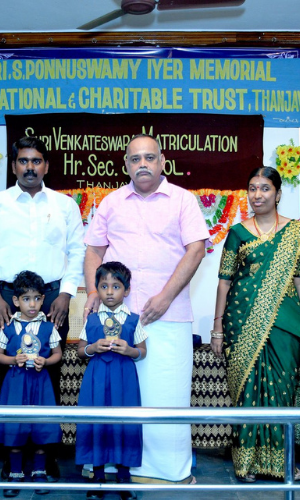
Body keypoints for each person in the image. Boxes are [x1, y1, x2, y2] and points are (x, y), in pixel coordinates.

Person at [83, 134, 209, 484]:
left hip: (167, 315)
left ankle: (167, 470)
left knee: (166, 394)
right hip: (117, 317)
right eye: (135, 159)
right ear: (126, 164)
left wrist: (165, 296)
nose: (142, 164)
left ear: (162, 162)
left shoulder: (182, 200)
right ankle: (113, 464)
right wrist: (93, 290)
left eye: (149, 158)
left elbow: (196, 250)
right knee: (118, 395)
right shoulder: (111, 202)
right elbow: (94, 250)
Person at [210, 166, 300, 482]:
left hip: (286, 325)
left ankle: (282, 463)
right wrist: (217, 328)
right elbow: (224, 283)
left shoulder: (298, 234)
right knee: (247, 392)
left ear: (278, 193)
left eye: (265, 188)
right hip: (241, 322)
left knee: (282, 392)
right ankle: (246, 463)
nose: (257, 194)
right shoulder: (237, 233)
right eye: (252, 188)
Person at [0, 135, 85, 402]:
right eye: (23, 161)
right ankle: (11, 428)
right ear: (13, 166)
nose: (30, 167)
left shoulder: (65, 205)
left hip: (53, 299)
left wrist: (66, 295)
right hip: (4, 299)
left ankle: (46, 429)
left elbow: (77, 251)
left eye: (36, 161)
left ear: (46, 165)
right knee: (7, 368)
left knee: (50, 368)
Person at [76, 262, 147, 500]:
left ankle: (124, 478)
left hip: (124, 378)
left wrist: (129, 350)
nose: (109, 292)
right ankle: (97, 478)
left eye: (115, 286)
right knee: (97, 422)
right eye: (104, 286)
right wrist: (93, 347)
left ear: (126, 290)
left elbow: (142, 351)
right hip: (96, 378)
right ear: (96, 289)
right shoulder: (91, 320)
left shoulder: (134, 320)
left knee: (125, 423)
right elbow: (80, 351)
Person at [0, 271, 63, 498]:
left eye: (36, 298)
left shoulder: (48, 327)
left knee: (41, 426)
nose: (32, 304)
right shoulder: (8, 326)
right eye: (26, 299)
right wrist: (13, 359)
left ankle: (39, 471)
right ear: (16, 301)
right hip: (16, 383)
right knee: (15, 425)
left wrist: (47, 361)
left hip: (40, 384)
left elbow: (58, 354)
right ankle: (15, 472)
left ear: (43, 299)